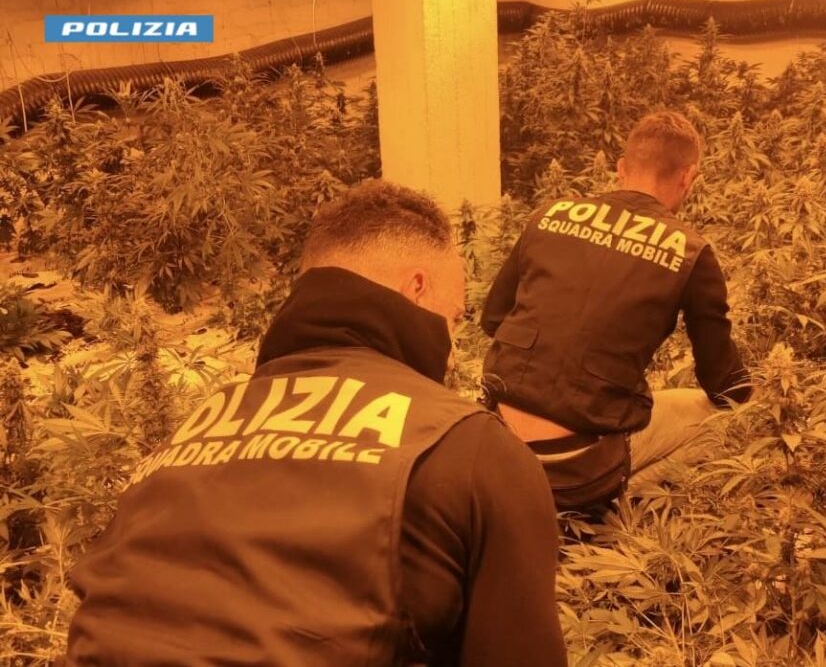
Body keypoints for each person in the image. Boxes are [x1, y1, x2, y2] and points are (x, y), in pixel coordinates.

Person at [64, 180, 567, 667]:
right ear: (416, 288)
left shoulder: (188, 433)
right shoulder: (471, 448)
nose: (453, 351)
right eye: (454, 319)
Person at [481, 111, 752, 512]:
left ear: (621, 167)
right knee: (725, 416)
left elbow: (493, 319)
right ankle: (618, 505)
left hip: (494, 443)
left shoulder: (549, 216)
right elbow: (724, 384)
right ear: (688, 177)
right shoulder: (691, 252)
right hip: (580, 470)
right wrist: (762, 397)